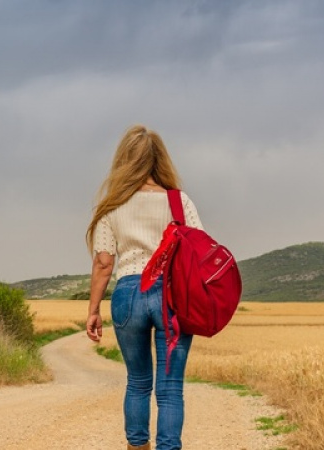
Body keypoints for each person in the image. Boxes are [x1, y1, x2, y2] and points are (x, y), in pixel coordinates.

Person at [85, 125, 203, 450]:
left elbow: (104, 263)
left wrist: (93, 310)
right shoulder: (179, 202)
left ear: (123, 161)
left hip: (128, 294)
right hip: (171, 296)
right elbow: (200, 250)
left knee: (137, 382)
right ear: (161, 160)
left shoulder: (112, 206)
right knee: (170, 388)